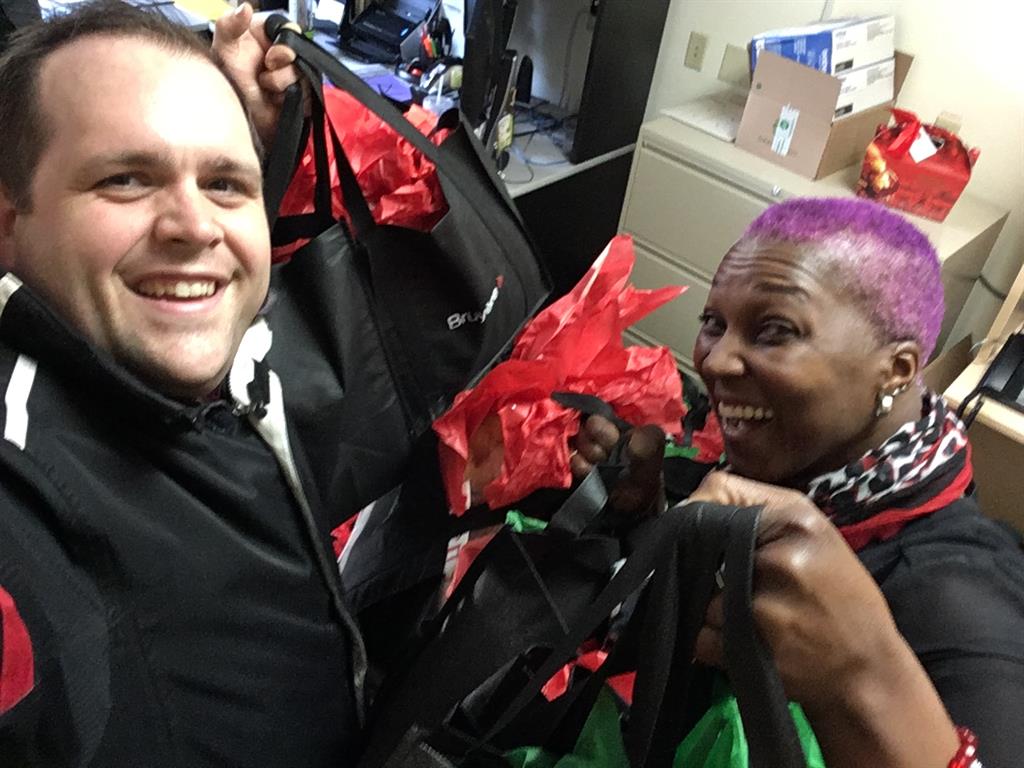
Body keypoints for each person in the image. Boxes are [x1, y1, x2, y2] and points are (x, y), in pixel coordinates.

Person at [0, 2, 658, 763]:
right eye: (123, 179)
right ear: (10, 221)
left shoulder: (210, 384)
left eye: (224, 184)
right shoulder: (25, 511)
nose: (195, 225)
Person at [687, 197, 1024, 767]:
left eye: (773, 331)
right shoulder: (811, 458)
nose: (717, 361)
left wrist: (862, 680)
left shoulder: (954, 599)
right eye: (714, 323)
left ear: (896, 370)